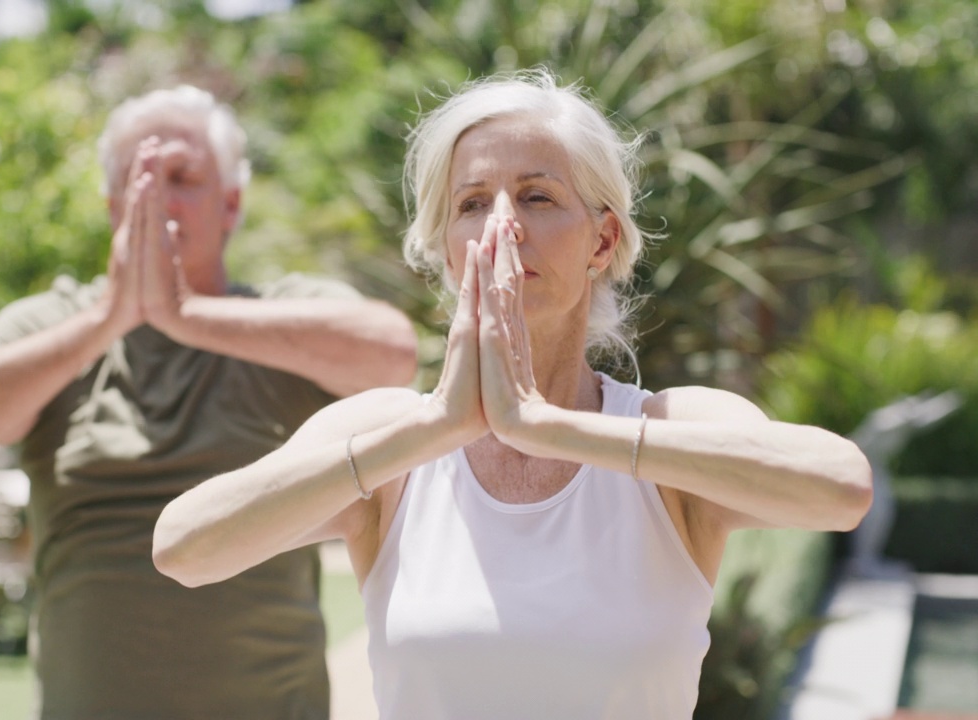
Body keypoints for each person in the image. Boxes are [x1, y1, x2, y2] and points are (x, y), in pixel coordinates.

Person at [152, 70, 873, 719]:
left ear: (601, 241)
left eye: (537, 196)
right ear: (445, 244)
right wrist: (435, 425)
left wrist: (548, 427)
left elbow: (842, 490)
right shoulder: (393, 441)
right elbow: (184, 548)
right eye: (472, 203)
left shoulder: (667, 427)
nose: (503, 225)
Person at [0, 85, 419, 719]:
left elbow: (394, 355)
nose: (159, 197)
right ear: (111, 204)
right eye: (138, 178)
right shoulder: (52, 324)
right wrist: (105, 319)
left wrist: (188, 316)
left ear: (230, 205)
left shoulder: (282, 313)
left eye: (182, 176)